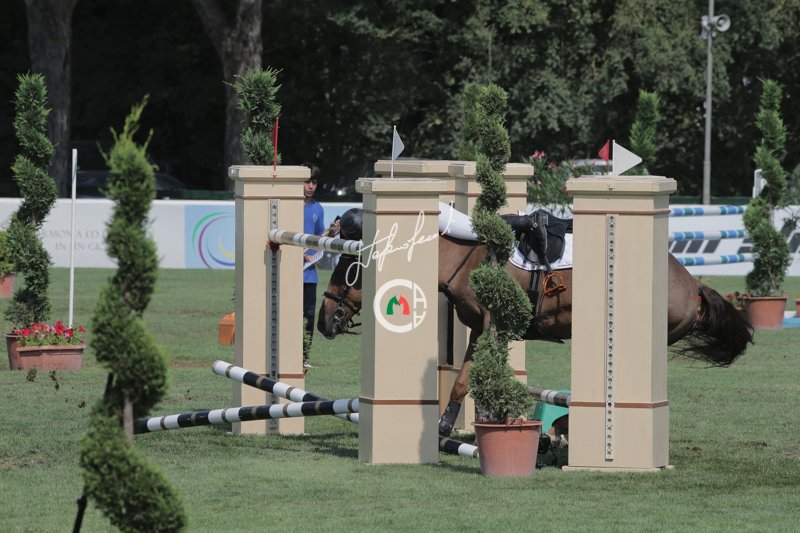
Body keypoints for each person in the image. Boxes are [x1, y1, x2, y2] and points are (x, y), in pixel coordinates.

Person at [302, 163, 325, 368]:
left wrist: (332, 232)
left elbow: (319, 239)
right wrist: (301, 255)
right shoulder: (289, 206)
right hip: (289, 272)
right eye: (307, 181)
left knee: (309, 316)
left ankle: (304, 356)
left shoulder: (318, 208)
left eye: (314, 182)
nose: (310, 186)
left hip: (310, 275)